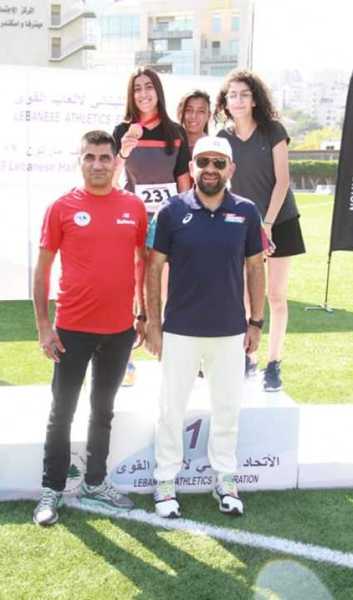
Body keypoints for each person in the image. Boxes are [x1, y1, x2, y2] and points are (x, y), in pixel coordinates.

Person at [146, 136, 266, 519]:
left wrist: (256, 322)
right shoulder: (170, 211)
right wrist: (152, 323)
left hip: (230, 331)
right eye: (203, 162)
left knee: (227, 409)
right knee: (171, 410)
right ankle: (165, 481)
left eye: (218, 162)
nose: (210, 169)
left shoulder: (247, 211)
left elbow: (255, 268)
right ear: (192, 167)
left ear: (231, 168)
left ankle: (225, 480)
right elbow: (153, 268)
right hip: (180, 330)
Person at [32, 130, 147, 526]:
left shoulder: (133, 206)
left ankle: (95, 482)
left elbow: (142, 263)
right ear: (79, 161)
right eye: (90, 157)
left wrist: (142, 315)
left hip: (119, 330)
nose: (98, 165)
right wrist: (44, 326)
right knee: (62, 411)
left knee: (103, 410)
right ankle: (52, 488)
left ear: (116, 161)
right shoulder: (61, 207)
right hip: (72, 330)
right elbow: (42, 270)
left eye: (104, 157)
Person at [214, 68, 305, 391]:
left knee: (276, 296)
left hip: (280, 222)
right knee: (244, 298)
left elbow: (283, 181)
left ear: (254, 100)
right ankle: (247, 358)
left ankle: (273, 364)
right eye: (232, 95)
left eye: (244, 94)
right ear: (225, 102)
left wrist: (267, 225)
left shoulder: (273, 130)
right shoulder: (222, 138)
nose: (238, 100)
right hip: (243, 225)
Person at [113, 66, 191, 386]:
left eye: (149, 87)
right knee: (132, 288)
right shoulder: (122, 130)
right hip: (133, 220)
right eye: (137, 88)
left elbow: (184, 185)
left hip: (169, 222)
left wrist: (186, 223)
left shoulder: (175, 132)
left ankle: (171, 360)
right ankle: (126, 361)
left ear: (158, 91)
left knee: (169, 289)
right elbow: (112, 178)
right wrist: (123, 150)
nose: (143, 94)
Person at [177, 89, 211, 153]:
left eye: (200, 111)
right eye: (188, 110)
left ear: (208, 116)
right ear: (181, 113)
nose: (193, 116)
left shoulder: (214, 147)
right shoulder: (173, 144)